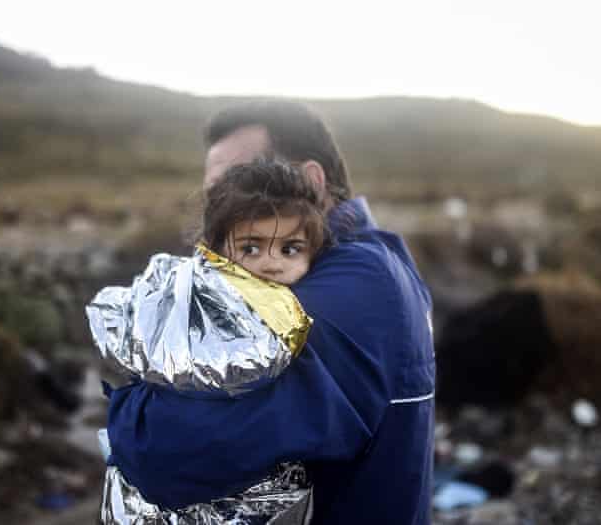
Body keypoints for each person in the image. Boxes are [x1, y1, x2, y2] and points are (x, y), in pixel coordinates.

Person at [103, 100, 436, 524]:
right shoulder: (383, 256)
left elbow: (165, 449)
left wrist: (131, 398)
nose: (225, 210)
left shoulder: (353, 289)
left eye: (245, 182)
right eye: (215, 197)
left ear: (311, 182)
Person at [88, 159, 328, 523]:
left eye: (290, 249)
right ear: (216, 249)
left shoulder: (303, 311)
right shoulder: (191, 296)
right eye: (251, 248)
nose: (272, 264)